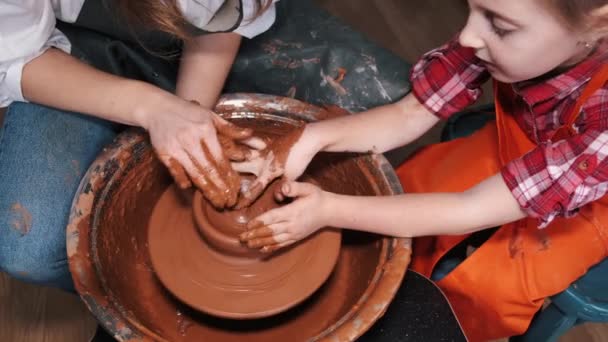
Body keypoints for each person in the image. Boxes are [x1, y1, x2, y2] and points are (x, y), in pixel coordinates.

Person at [237, 0, 608, 340]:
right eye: (473, 8)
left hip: (588, 204)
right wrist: (312, 138)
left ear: (597, 28)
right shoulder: (495, 31)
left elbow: (470, 209)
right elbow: (409, 114)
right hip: (517, 144)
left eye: (500, 26)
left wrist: (328, 210)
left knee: (481, 291)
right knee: (406, 191)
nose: (468, 35)